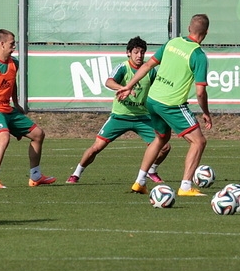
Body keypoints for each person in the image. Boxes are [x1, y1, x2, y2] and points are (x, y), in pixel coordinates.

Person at [116, 14, 212, 196]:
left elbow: (146, 66)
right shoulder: (198, 55)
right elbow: (200, 92)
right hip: (172, 104)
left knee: (161, 138)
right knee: (199, 141)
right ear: (206, 33)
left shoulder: (172, 43)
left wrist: (128, 86)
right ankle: (185, 186)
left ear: (189, 28)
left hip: (152, 100)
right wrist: (206, 112)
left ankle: (140, 181)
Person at [66, 36, 171, 184]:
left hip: (143, 118)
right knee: (96, 147)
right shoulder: (123, 67)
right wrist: (123, 88)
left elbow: (158, 89)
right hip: (120, 116)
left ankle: (151, 170)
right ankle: (76, 173)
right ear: (128, 53)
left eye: (142, 52)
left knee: (165, 147)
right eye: (136, 52)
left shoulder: (150, 71)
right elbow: (109, 82)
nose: (139, 55)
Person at [0, 29, 56, 189]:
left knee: (38, 134)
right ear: (2, 44)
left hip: (8, 109)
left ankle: (35, 176)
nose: (14, 46)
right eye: (12, 43)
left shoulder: (14, 63)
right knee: (3, 137)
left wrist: (16, 103)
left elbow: (11, 83)